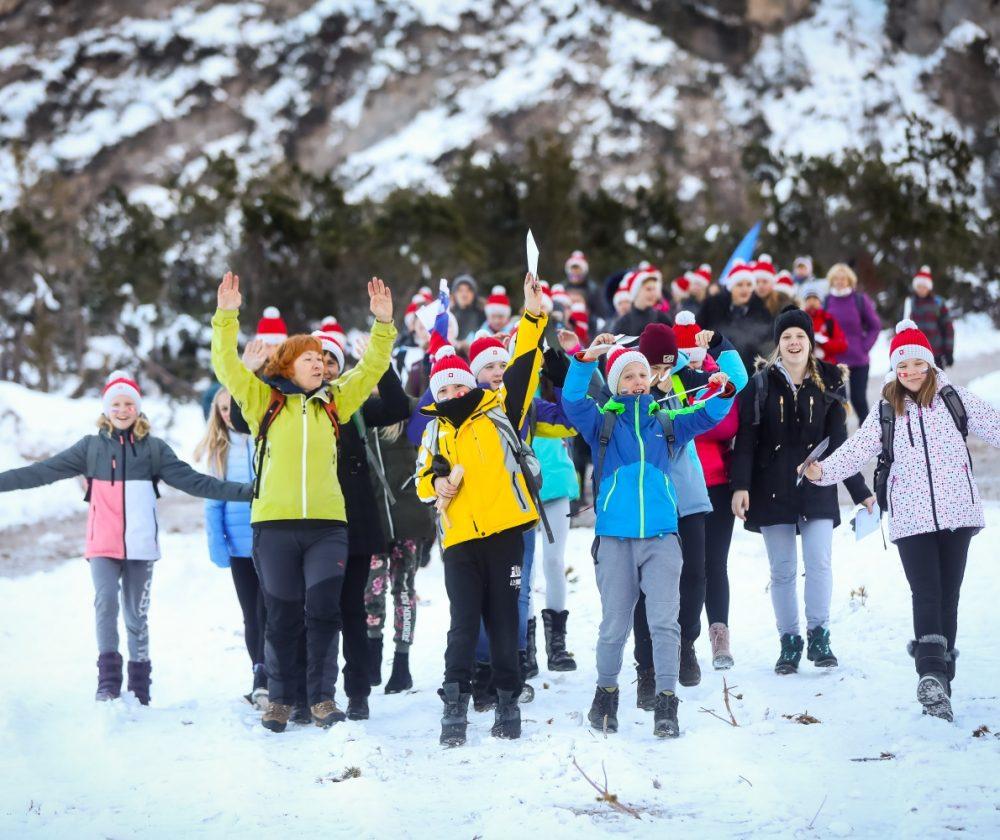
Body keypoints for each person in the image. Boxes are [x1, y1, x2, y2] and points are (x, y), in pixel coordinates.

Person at [211, 271, 396, 733]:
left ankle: (322, 699)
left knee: (325, 613)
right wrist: (226, 317)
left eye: (321, 358)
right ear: (288, 365)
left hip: (328, 527)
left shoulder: (336, 401)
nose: (318, 364)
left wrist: (383, 325)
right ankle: (280, 700)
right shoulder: (263, 400)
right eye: (309, 358)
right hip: (274, 526)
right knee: (281, 616)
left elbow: (371, 368)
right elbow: (226, 366)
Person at [0, 370, 252, 706]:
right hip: (102, 545)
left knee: (136, 616)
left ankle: (140, 683)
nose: (122, 410)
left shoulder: (153, 450)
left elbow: (196, 483)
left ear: (138, 408)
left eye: (128, 404)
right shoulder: (89, 449)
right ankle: (108, 680)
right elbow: (42, 472)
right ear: (106, 408)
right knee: (105, 602)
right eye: (116, 404)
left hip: (141, 548)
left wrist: (248, 492)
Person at [804, 320, 999, 721]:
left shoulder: (955, 399)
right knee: (926, 592)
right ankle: (930, 673)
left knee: (948, 595)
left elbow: (995, 426)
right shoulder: (886, 410)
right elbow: (855, 449)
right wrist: (822, 472)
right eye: (902, 365)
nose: (909, 372)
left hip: (958, 512)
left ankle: (941, 684)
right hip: (911, 517)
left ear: (929, 363)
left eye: (916, 363)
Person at [562, 334, 737, 738]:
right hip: (615, 540)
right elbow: (572, 399)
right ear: (615, 384)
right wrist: (585, 360)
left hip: (662, 539)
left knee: (665, 624)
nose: (638, 382)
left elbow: (709, 414)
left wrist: (722, 388)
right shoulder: (602, 422)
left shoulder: (666, 422)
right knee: (614, 625)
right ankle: (606, 695)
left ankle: (666, 702)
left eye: (642, 375)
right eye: (628, 376)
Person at [416, 273, 547, 746]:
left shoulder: (498, 410)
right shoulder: (434, 431)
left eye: (458, 387)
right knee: (463, 622)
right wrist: (437, 484)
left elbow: (525, 362)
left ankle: (508, 702)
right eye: (444, 391)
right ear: (436, 395)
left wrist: (532, 314)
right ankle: (455, 703)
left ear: (469, 384)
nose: (453, 395)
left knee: (505, 617)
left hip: (506, 531)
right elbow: (421, 483)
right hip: (459, 541)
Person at [731, 306, 875, 675]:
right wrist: (741, 486)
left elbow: (840, 443)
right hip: (771, 488)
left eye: (800, 336)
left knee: (819, 562)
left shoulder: (829, 381)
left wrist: (860, 490)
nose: (794, 342)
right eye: (786, 337)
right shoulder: (760, 384)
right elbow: (746, 441)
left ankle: (819, 634)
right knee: (782, 570)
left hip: (817, 486)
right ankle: (790, 641)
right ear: (778, 343)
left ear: (810, 342)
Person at [629, 320, 748, 703]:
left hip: (690, 495)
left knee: (695, 575)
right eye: (653, 366)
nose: (659, 373)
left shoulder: (688, 379)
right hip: (649, 501)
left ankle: (685, 644)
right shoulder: (633, 385)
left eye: (666, 365)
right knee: (647, 586)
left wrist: (721, 345)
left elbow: (735, 383)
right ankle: (647, 666)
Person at [314, 329, 411, 722]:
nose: (324, 367)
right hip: (312, 523)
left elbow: (397, 407)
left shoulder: (352, 405)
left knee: (353, 608)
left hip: (353, 520)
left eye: (331, 361)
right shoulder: (292, 407)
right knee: (316, 610)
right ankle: (315, 691)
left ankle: (357, 693)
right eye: (317, 360)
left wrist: (381, 364)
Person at [675, 313, 742, 669]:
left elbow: (726, 424)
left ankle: (719, 634)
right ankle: (678, 639)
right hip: (678, 488)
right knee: (682, 568)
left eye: (696, 356)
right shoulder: (669, 384)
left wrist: (700, 408)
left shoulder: (718, 379)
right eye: (684, 357)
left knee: (715, 563)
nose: (692, 363)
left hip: (716, 483)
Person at [195, 387, 267, 709]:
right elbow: (213, 503)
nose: (228, 414)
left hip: (271, 542)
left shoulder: (265, 440)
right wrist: (218, 545)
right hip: (240, 547)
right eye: (222, 409)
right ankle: (258, 675)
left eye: (233, 406)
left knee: (270, 610)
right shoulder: (219, 452)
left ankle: (271, 676)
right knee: (252, 615)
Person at [364, 408, 436, 694]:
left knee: (404, 590)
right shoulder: (357, 413)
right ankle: (372, 652)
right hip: (373, 522)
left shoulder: (407, 413)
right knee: (371, 590)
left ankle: (402, 662)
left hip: (408, 520)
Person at [823, 263, 882, 420]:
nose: (840, 282)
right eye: (836, 279)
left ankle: (869, 432)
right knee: (838, 403)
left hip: (858, 360)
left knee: (859, 400)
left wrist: (865, 346)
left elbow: (875, 326)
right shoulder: (827, 301)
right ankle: (840, 435)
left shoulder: (859, 300)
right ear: (831, 281)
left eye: (843, 279)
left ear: (849, 281)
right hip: (835, 362)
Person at [698, 260, 774, 373]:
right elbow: (699, 328)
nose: (745, 289)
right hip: (714, 368)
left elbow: (767, 342)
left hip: (748, 370)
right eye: (740, 285)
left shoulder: (761, 309)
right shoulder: (712, 305)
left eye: (749, 285)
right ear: (731, 287)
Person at [904, 266, 954, 369]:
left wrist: (949, 351)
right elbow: (903, 327)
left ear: (929, 287)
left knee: (936, 378)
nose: (921, 290)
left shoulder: (938, 303)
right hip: (915, 353)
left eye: (924, 287)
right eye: (919, 286)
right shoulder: (910, 303)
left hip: (935, 353)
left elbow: (948, 328)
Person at [610, 265, 673, 335]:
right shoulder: (622, 323)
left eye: (654, 289)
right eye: (648, 289)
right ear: (636, 292)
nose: (653, 293)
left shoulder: (662, 319)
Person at [801, 284, 849, 364]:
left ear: (820, 301)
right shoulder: (799, 319)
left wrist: (824, 343)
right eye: (808, 299)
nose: (812, 302)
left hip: (827, 365)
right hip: (805, 365)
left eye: (815, 299)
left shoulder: (828, 319)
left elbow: (843, 344)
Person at [451, 274, 484, 350]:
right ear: (454, 294)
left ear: (474, 294)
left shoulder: (482, 315)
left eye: (468, 290)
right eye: (460, 290)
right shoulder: (449, 315)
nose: (464, 294)